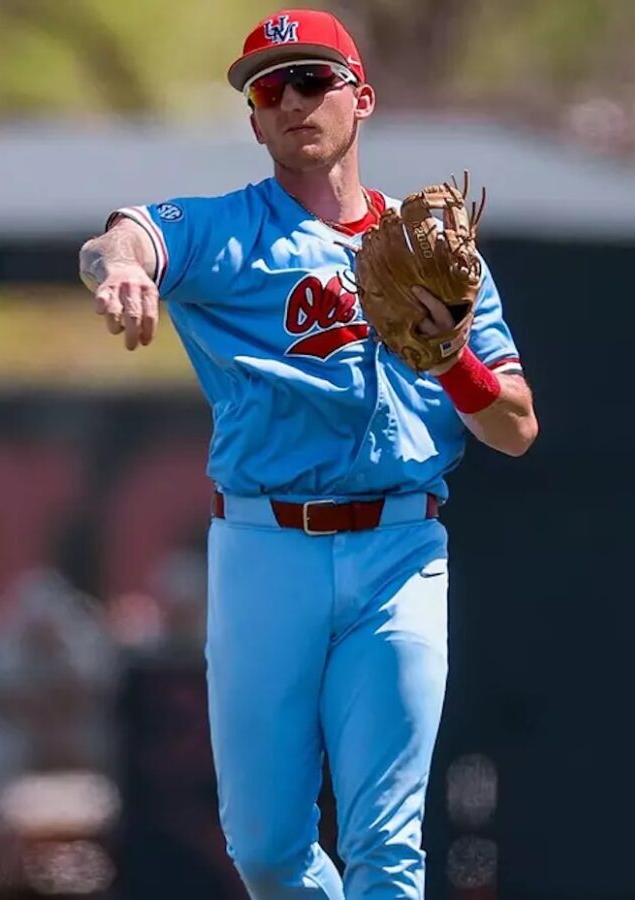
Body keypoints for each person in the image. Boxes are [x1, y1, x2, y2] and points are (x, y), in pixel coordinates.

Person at [76, 9, 539, 899]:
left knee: (387, 846)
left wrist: (454, 361)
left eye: (313, 79)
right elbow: (124, 235)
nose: (292, 100)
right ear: (254, 120)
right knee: (268, 852)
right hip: (266, 552)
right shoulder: (229, 233)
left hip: (402, 552)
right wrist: (124, 271)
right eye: (269, 88)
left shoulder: (434, 251)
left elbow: (515, 428)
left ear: (360, 97)